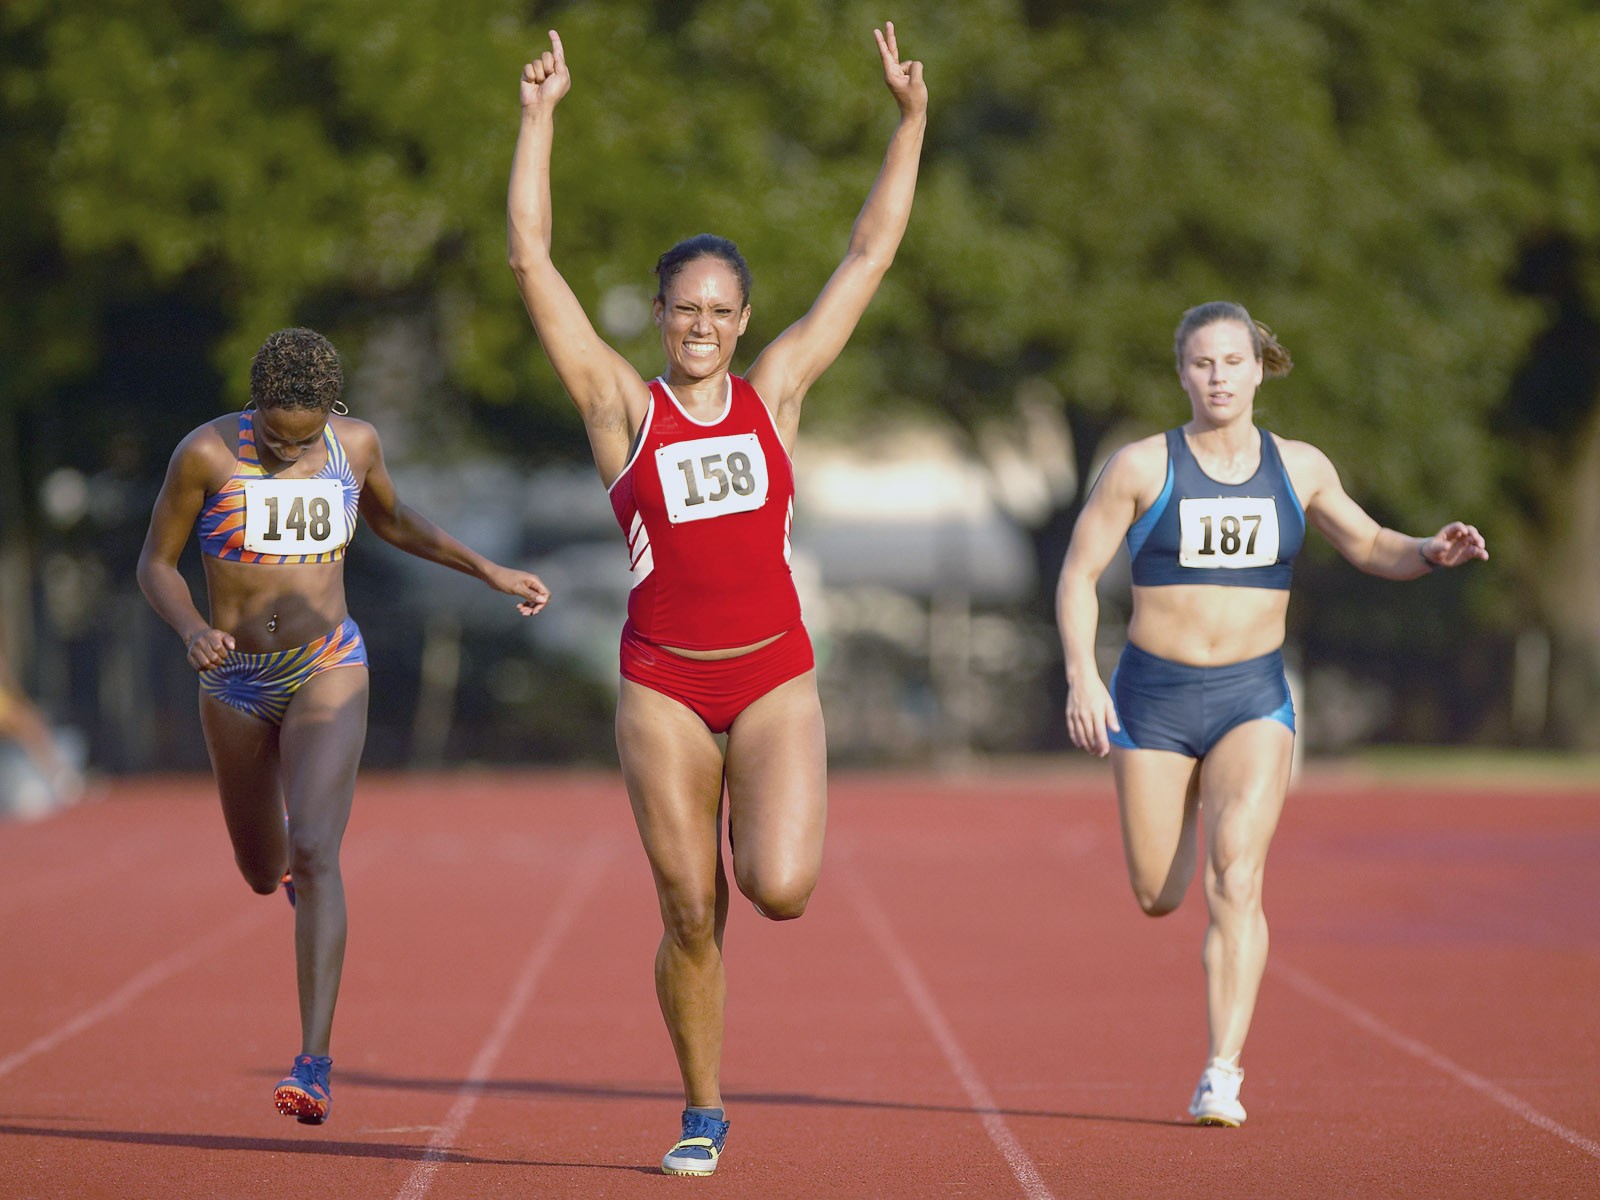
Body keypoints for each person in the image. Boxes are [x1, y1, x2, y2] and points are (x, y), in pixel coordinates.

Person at [507, 22, 925, 1176]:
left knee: (777, 889)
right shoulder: (618, 408)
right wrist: (538, 120)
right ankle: (701, 1108)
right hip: (662, 684)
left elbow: (868, 258)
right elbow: (533, 264)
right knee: (690, 907)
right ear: (659, 315)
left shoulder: (776, 393)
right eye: (683, 308)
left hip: (774, 674)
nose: (701, 325)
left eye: (720, 310)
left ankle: (749, 887)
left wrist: (911, 123)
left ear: (744, 320)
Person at [1055, 301, 1488, 1127]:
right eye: (1202, 364)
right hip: (1152, 699)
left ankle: (1223, 1071)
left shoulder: (1299, 468)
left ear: (1261, 367)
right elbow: (1077, 576)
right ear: (1182, 373)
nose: (1218, 377)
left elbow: (1368, 544)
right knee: (1156, 892)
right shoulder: (1141, 467)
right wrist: (1083, 675)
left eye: (1232, 361)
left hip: (1253, 697)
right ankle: (1179, 800)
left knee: (1237, 876)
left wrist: (1429, 552)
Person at [136, 327, 550, 1125]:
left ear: (332, 412)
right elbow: (156, 562)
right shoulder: (207, 454)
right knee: (263, 870)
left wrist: (486, 570)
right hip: (232, 680)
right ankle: (286, 869)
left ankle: (314, 1063)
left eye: (303, 439)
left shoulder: (353, 445)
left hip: (328, 661)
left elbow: (395, 523)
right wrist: (191, 628)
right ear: (254, 407)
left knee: (318, 850)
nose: (290, 454)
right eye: (276, 437)